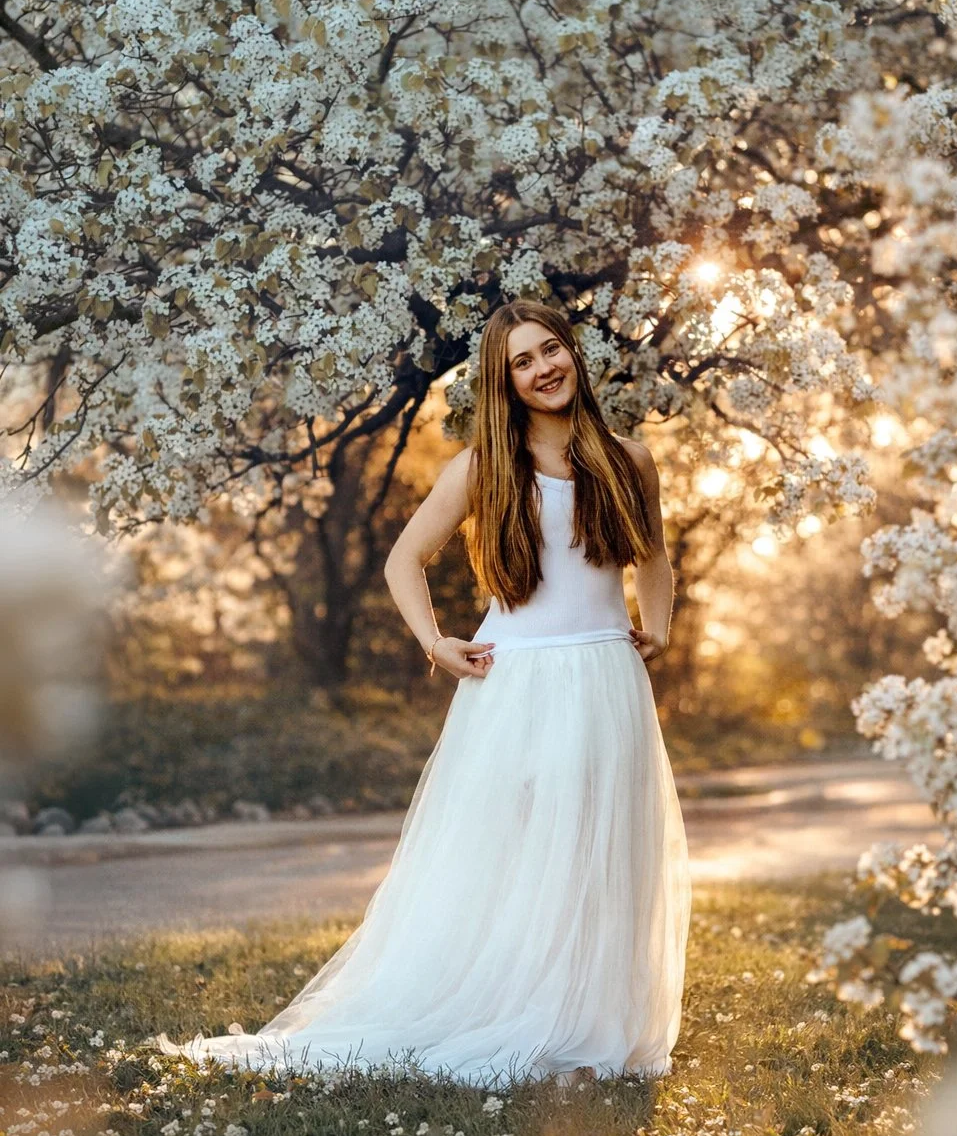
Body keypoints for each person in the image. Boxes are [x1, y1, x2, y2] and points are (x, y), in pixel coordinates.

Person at [153, 298, 691, 1089]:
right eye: (522, 361)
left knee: (602, 853)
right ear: (503, 381)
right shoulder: (481, 470)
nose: (544, 369)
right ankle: (517, 1010)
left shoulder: (629, 458)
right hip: (516, 681)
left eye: (552, 351)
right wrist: (436, 642)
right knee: (516, 856)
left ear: (573, 353)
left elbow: (653, 556)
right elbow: (403, 562)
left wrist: (661, 626)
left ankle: (591, 1030)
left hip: (609, 675)